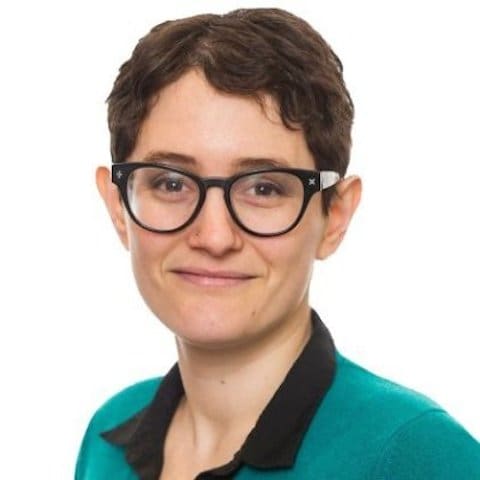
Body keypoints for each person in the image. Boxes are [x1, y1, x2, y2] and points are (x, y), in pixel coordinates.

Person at [74, 7, 480, 480]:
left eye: (264, 188)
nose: (214, 236)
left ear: (335, 216)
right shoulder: (106, 440)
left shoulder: (414, 456)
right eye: (171, 183)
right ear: (119, 206)